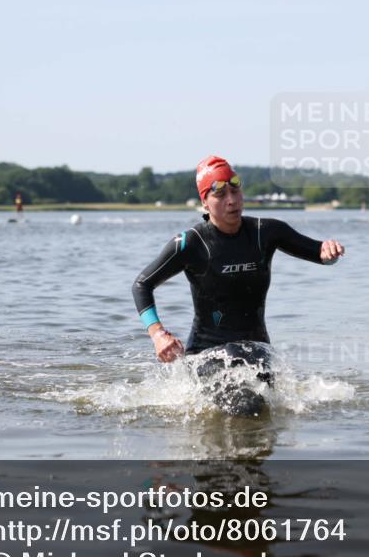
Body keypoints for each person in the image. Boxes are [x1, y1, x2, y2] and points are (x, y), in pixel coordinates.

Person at [132, 155, 345, 414]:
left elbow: (319, 253)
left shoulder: (266, 232)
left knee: (265, 415)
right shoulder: (191, 243)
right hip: (208, 355)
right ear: (204, 202)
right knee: (247, 406)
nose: (231, 200)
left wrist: (329, 251)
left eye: (235, 191)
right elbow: (142, 285)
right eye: (220, 194)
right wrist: (158, 334)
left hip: (258, 352)